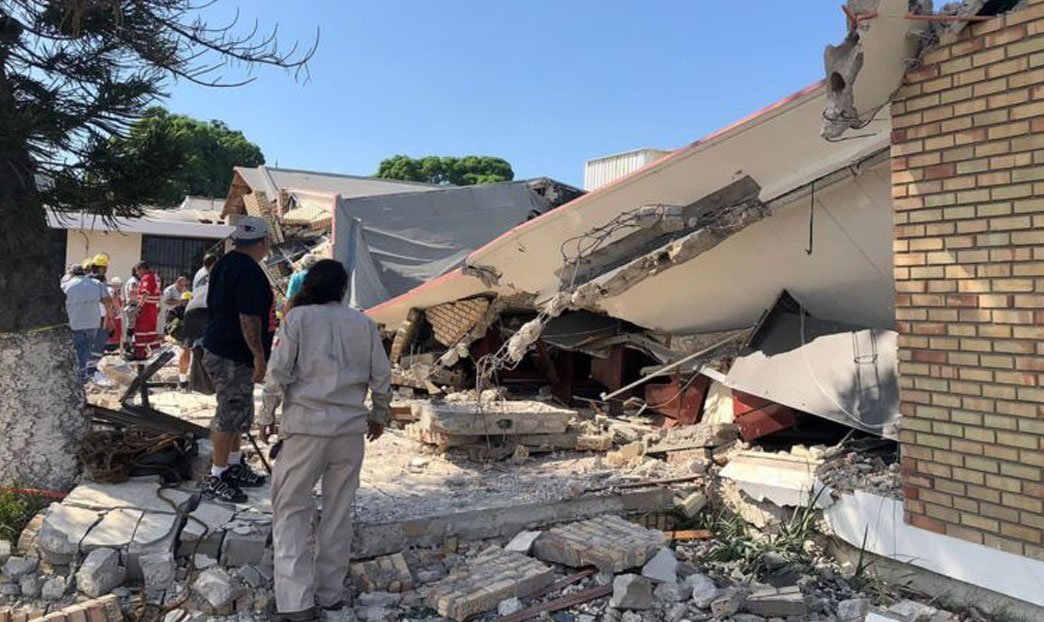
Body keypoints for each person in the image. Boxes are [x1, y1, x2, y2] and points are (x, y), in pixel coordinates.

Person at [257, 259, 391, 622]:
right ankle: (330, 594)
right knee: (337, 511)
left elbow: (278, 372)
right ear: (341, 289)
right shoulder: (363, 323)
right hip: (349, 431)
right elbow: (382, 376)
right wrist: (379, 415)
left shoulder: (297, 320)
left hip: (305, 429)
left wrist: (265, 417)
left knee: (291, 511)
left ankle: (295, 601)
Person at [201, 216, 274, 503]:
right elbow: (248, 317)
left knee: (239, 410)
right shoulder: (248, 271)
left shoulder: (226, 262)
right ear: (264, 241)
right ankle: (217, 475)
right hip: (232, 351)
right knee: (229, 410)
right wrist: (258, 355)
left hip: (224, 347)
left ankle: (233, 464)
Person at [62, 269, 118, 384]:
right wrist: (110, 318)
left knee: (77, 349)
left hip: (74, 323)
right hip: (92, 323)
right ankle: (83, 374)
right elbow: (107, 301)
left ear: (72, 274)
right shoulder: (96, 284)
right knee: (87, 348)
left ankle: (80, 375)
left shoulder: (66, 286)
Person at [132, 262, 162, 360]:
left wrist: (139, 307)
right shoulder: (155, 276)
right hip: (152, 308)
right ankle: (157, 353)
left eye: (137, 271)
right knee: (150, 332)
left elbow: (145, 294)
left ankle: (139, 354)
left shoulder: (146, 277)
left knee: (140, 331)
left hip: (146, 308)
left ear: (142, 269)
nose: (137, 274)